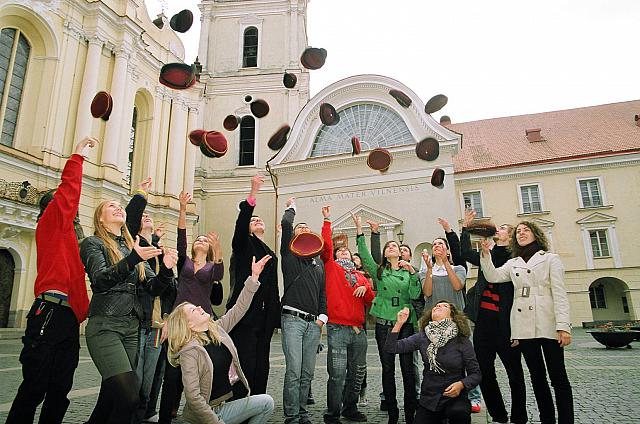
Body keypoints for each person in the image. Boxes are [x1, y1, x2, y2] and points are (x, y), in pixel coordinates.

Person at [6, 136, 97, 424]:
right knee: (35, 387)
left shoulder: (69, 237)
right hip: (49, 312)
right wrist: (77, 158)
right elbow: (67, 196)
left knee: (60, 389)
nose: (72, 213)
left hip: (68, 318)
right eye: (64, 208)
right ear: (53, 208)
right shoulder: (51, 224)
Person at [80, 199, 178, 423]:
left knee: (110, 399)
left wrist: (166, 268)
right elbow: (100, 280)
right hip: (106, 326)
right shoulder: (93, 243)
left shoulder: (130, 247)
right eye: (111, 206)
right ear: (101, 219)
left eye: (120, 206)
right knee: (129, 399)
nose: (118, 208)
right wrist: (134, 258)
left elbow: (153, 288)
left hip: (132, 329)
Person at [480, 221, 573, 424]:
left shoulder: (550, 259)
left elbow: (559, 294)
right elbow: (493, 276)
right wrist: (486, 255)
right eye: (519, 231)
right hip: (525, 327)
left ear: (536, 235)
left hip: (548, 323)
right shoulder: (514, 262)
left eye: (526, 230)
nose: (521, 233)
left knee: (558, 378)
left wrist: (563, 326)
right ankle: (547, 419)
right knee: (537, 378)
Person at [166, 255, 275, 424]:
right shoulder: (189, 352)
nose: (200, 307)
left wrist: (254, 277)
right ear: (188, 325)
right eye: (194, 310)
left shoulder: (217, 329)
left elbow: (239, 308)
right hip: (204, 416)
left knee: (266, 402)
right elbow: (194, 398)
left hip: (226, 406)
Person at [158, 191, 224, 424]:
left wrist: (218, 248)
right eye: (199, 240)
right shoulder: (185, 262)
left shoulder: (211, 267)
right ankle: (166, 414)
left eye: (205, 240)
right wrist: (183, 209)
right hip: (180, 318)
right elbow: (181, 237)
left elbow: (220, 272)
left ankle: (196, 410)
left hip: (201, 321)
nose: (200, 241)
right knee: (171, 372)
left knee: (196, 367)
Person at [461, 210, 527, 424]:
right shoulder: (485, 253)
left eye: (503, 228)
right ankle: (499, 414)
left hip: (507, 323)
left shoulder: (515, 258)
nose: (498, 229)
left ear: (511, 236)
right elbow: (463, 252)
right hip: (484, 323)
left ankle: (519, 416)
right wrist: (465, 227)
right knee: (484, 372)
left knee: (514, 373)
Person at [354, 213, 421, 424]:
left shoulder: (409, 271)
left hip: (406, 325)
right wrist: (359, 231)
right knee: (388, 369)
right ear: (385, 253)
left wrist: (412, 273)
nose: (391, 247)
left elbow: (415, 294)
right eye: (388, 246)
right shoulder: (380, 271)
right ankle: (393, 413)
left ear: (401, 253)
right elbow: (364, 256)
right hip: (384, 324)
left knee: (408, 370)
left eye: (395, 246)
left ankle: (410, 413)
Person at [125, 178, 178, 424]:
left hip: (157, 324)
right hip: (139, 323)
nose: (146, 216)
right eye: (143, 215)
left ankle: (146, 414)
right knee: (135, 383)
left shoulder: (157, 252)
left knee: (150, 381)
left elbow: (168, 291)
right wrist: (141, 194)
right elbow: (149, 285)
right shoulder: (134, 247)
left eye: (149, 215)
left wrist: (167, 318)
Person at [226, 174, 280, 395]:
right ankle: (240, 403)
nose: (257, 221)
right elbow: (240, 225)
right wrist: (253, 194)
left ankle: (257, 404)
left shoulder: (270, 251)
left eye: (260, 219)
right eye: (253, 220)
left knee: (261, 365)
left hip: (265, 317)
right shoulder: (243, 244)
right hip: (245, 314)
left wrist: (274, 315)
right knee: (244, 362)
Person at [320, 205, 375, 424]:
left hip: (359, 331)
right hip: (338, 328)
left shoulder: (359, 275)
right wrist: (327, 221)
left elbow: (371, 299)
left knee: (357, 373)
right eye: (341, 251)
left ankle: (350, 408)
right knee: (337, 374)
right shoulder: (331, 268)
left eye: (348, 252)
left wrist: (366, 289)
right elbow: (326, 248)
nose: (345, 253)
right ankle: (332, 412)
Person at [385, 303, 481, 424]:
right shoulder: (422, 337)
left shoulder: (462, 341)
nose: (438, 306)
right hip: (429, 398)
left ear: (453, 316)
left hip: (455, 399)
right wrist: (399, 323)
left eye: (444, 306)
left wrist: (461, 384)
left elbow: (476, 374)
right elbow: (391, 347)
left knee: (459, 413)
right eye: (436, 305)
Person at [280, 197, 327, 424]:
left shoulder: (318, 264)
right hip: (292, 321)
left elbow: (322, 294)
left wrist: (322, 318)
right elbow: (287, 226)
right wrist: (292, 209)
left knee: (307, 372)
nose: (304, 230)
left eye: (307, 228)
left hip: (313, 324)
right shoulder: (289, 257)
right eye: (301, 228)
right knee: (294, 371)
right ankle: (291, 416)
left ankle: (302, 411)